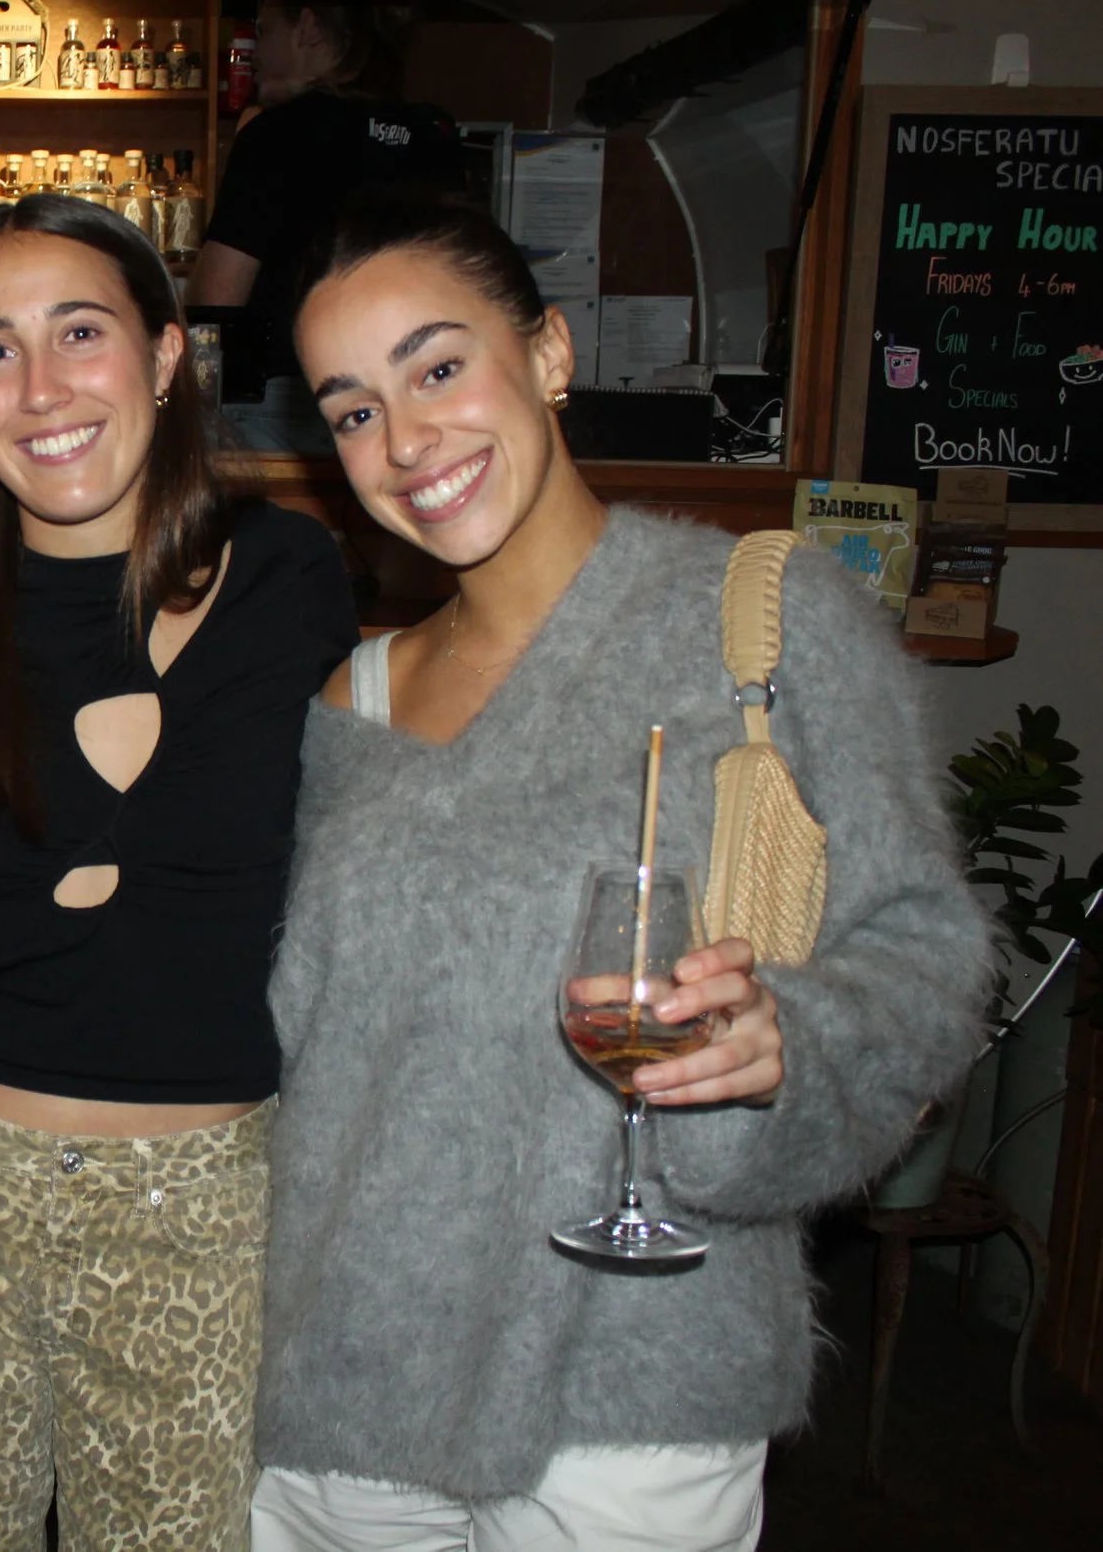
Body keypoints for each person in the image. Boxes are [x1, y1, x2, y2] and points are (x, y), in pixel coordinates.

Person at [247, 190, 990, 1551]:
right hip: (342, 1385)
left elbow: (926, 953)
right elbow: (300, 1053)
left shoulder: (762, 623)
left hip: (634, 1383)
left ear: (548, 352)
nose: (404, 441)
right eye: (353, 409)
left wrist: (786, 1041)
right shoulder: (351, 700)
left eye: (438, 368)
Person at [0, 191, 358, 1551]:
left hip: (196, 1195)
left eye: (80, 331)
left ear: (166, 353)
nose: (41, 386)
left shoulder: (292, 575)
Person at [186, 0, 463, 446]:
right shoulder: (432, 135)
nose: (254, 54)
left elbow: (216, 301)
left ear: (309, 28)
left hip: (287, 399)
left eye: (264, 32)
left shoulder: (276, 136)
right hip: (409, 392)